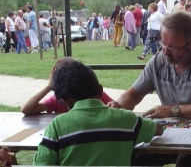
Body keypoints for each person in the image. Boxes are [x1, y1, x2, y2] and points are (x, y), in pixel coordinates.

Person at [108, 11, 191, 166]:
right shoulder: (158, 61)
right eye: (163, 43)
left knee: (188, 161)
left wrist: (174, 110)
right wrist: (116, 106)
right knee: (136, 155)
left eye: (172, 47)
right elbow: (134, 94)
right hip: (172, 132)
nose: (165, 51)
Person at [33, 58, 161, 166]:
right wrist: (120, 113)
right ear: (100, 91)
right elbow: (159, 130)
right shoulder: (129, 120)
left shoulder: (57, 126)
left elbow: (42, 163)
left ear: (63, 100)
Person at [21, 57, 115, 115]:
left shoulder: (95, 94)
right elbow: (26, 109)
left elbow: (117, 107)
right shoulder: (58, 100)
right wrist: (49, 86)